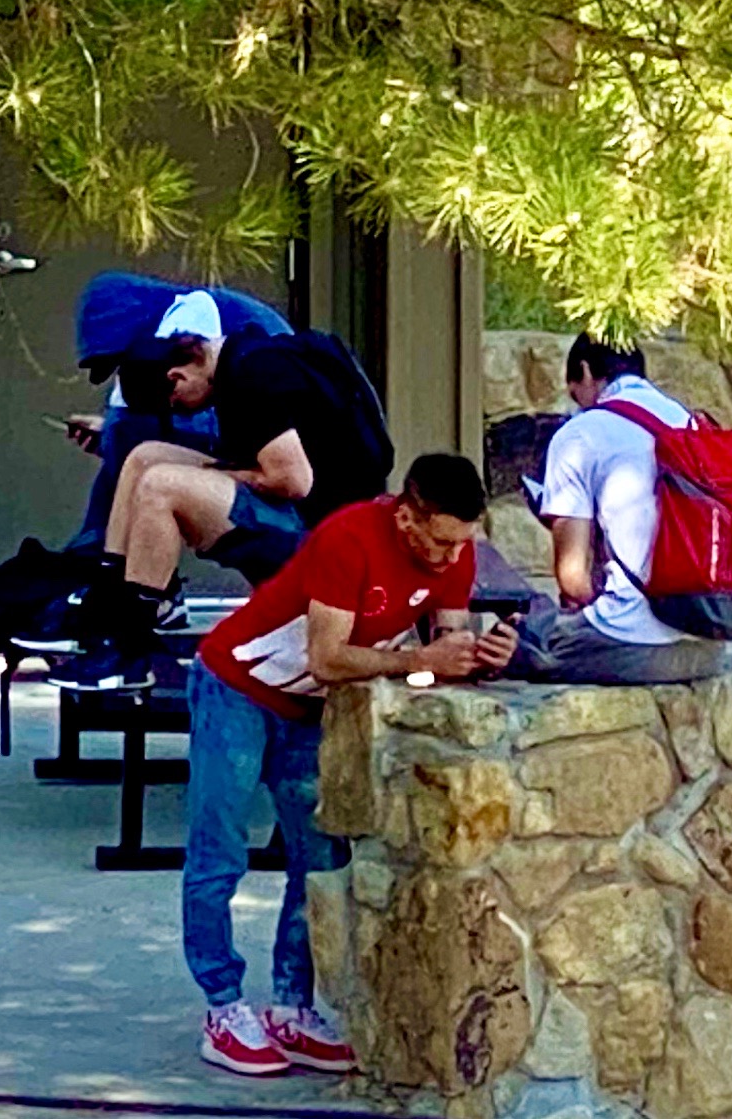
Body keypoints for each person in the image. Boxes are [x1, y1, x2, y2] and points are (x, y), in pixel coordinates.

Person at [186, 453, 513, 1077]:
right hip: (237, 688)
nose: (449, 559)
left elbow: (445, 651)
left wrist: (482, 657)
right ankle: (222, 1005)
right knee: (218, 849)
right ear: (406, 516)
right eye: (439, 541)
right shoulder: (348, 537)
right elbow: (330, 657)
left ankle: (291, 1006)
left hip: (309, 709)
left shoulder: (455, 551)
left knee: (320, 858)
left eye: (462, 543)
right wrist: (426, 660)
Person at [55, 302, 396, 689]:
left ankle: (131, 650)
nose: (179, 411)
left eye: (173, 404)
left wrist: (217, 476)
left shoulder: (252, 376)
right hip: (309, 510)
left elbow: (293, 481)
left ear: (178, 376)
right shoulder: (246, 352)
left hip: (323, 532)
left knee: (162, 485)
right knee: (146, 459)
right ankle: (109, 602)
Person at [504, 336, 730, 685]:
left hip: (634, 644)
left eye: (575, 391)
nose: (577, 404)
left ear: (584, 371)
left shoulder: (579, 435)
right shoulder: (691, 423)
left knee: (523, 636)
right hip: (711, 643)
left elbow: (573, 580)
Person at [63, 272, 290, 548]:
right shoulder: (161, 350)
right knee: (135, 451)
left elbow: (289, 476)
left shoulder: (231, 344)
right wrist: (110, 436)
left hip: (295, 502)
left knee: (155, 479)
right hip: (260, 472)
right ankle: (106, 566)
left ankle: (119, 569)